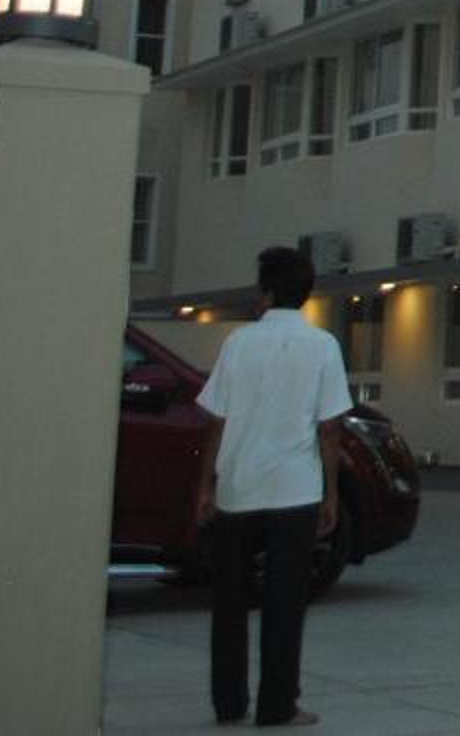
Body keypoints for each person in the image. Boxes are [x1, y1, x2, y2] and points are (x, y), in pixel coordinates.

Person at [196, 244, 351, 728]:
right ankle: (278, 704)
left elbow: (217, 421)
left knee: (230, 600)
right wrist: (331, 493)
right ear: (306, 293)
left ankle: (228, 702)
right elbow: (330, 428)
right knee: (285, 604)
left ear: (264, 293)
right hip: (295, 490)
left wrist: (205, 485)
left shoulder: (238, 344)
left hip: (238, 489)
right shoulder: (323, 346)